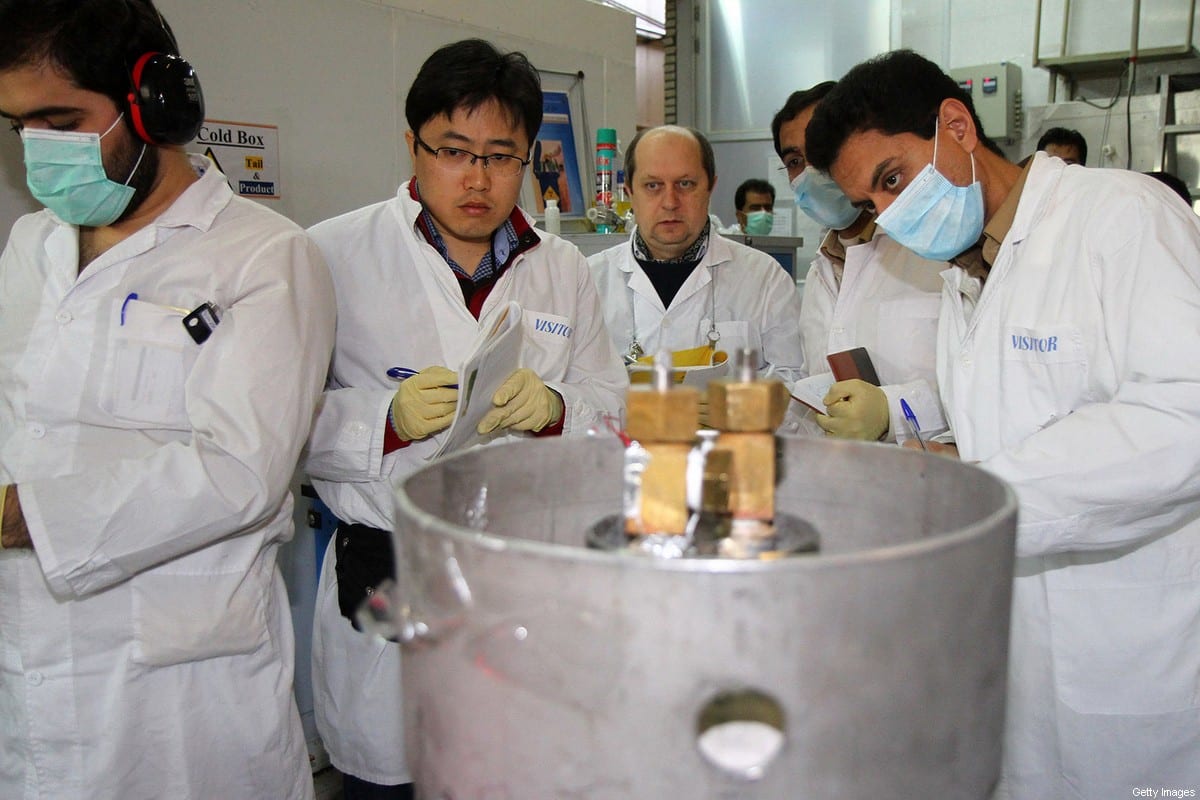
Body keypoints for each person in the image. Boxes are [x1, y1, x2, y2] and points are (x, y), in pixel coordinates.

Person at [807, 48, 1200, 798]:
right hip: (1018, 656)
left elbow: (1186, 411)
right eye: (871, 203)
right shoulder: (966, 273)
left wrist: (983, 499)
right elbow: (1011, 419)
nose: (887, 215)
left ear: (956, 126)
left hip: (1134, 656)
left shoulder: (1121, 216)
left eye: (891, 179)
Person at [0, 1, 336, 798]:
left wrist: (18, 515)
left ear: (157, 104)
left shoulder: (264, 257)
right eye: (18, 128)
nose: (39, 151)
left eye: (61, 120)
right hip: (32, 671)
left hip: (181, 699)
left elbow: (238, 473)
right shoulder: (29, 246)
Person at [303, 38, 627, 799]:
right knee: (389, 776)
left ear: (529, 160)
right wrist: (384, 417)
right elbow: (279, 423)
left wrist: (557, 411)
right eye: (453, 151)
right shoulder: (331, 254)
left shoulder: (562, 267)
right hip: (391, 572)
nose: (477, 178)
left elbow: (612, 411)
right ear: (411, 144)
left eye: (501, 155)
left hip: (524, 582)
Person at [772, 82, 947, 443]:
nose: (809, 171)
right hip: (847, 483)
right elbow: (823, 403)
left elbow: (985, 394)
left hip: (932, 482)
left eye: (821, 151)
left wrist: (892, 410)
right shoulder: (822, 270)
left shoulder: (936, 252)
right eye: (794, 162)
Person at [588, 125, 804, 385]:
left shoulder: (765, 279)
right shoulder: (591, 280)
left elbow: (795, 380)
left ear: (710, 187)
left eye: (685, 184)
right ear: (631, 192)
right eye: (653, 185)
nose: (670, 201)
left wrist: (734, 403)